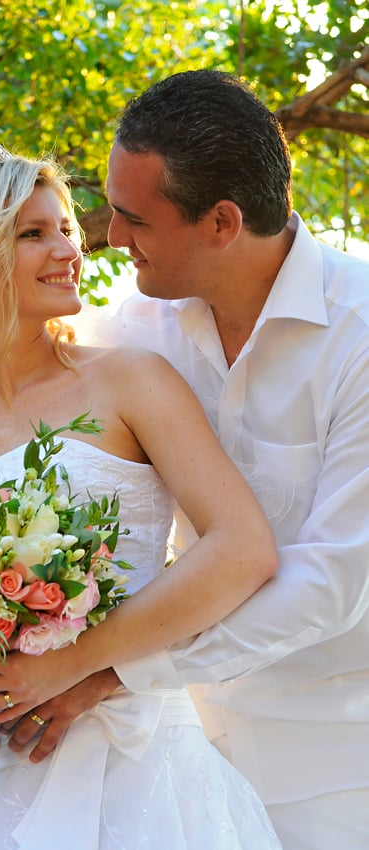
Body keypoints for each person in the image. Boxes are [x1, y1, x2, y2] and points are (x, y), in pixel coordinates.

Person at [0, 142, 282, 850]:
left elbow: (241, 549)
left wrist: (71, 664)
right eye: (32, 233)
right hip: (1, 771)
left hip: (143, 762)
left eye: (65, 227)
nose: (68, 249)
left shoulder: (130, 381)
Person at [102, 70, 369, 849]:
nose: (112, 238)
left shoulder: (360, 334)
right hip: (170, 741)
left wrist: (117, 671)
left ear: (220, 221)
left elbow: (337, 580)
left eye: (132, 218)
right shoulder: (136, 326)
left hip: (337, 750)